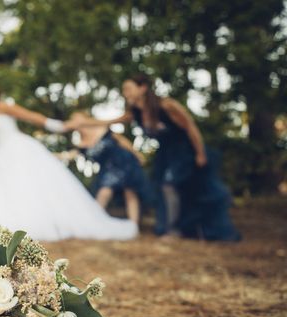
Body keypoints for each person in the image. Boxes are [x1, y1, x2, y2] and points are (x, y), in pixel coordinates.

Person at [68, 74, 240, 241]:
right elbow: (109, 122)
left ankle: (173, 229)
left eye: (128, 88)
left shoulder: (166, 106)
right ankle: (173, 228)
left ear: (142, 88)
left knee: (171, 185)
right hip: (165, 153)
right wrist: (82, 123)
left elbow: (191, 128)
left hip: (184, 152)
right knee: (164, 187)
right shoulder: (135, 113)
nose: (125, 92)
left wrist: (200, 153)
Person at [0, 85, 138, 241]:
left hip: (18, 149)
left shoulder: (2, 106)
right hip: (2, 154)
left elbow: (32, 117)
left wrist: (58, 126)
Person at [61, 112, 151, 224]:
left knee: (130, 192)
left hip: (124, 161)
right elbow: (70, 155)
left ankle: (134, 225)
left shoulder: (101, 128)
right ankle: (95, 223)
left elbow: (121, 140)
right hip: (108, 168)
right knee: (104, 191)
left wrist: (137, 154)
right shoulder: (81, 144)